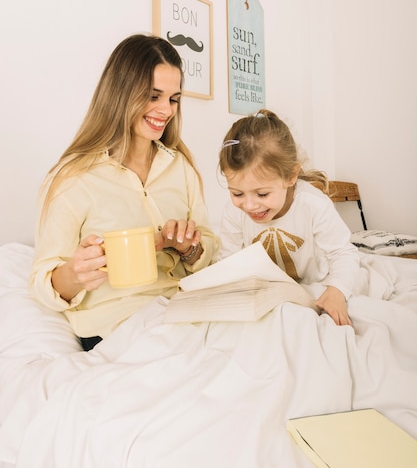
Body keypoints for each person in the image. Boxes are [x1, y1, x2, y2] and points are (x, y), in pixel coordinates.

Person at [30, 34, 220, 350]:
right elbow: (42, 281)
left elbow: (209, 248)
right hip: (115, 327)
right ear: (121, 94)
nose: (166, 110)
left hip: (181, 312)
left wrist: (190, 249)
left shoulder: (180, 167)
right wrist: (76, 274)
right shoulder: (74, 178)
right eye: (153, 96)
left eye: (173, 99)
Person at [218, 109, 362, 327]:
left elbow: (344, 252)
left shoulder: (313, 204)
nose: (249, 205)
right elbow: (228, 261)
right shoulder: (234, 211)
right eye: (237, 193)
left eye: (262, 194)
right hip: (270, 292)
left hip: (316, 286)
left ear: (291, 176)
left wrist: (337, 290)